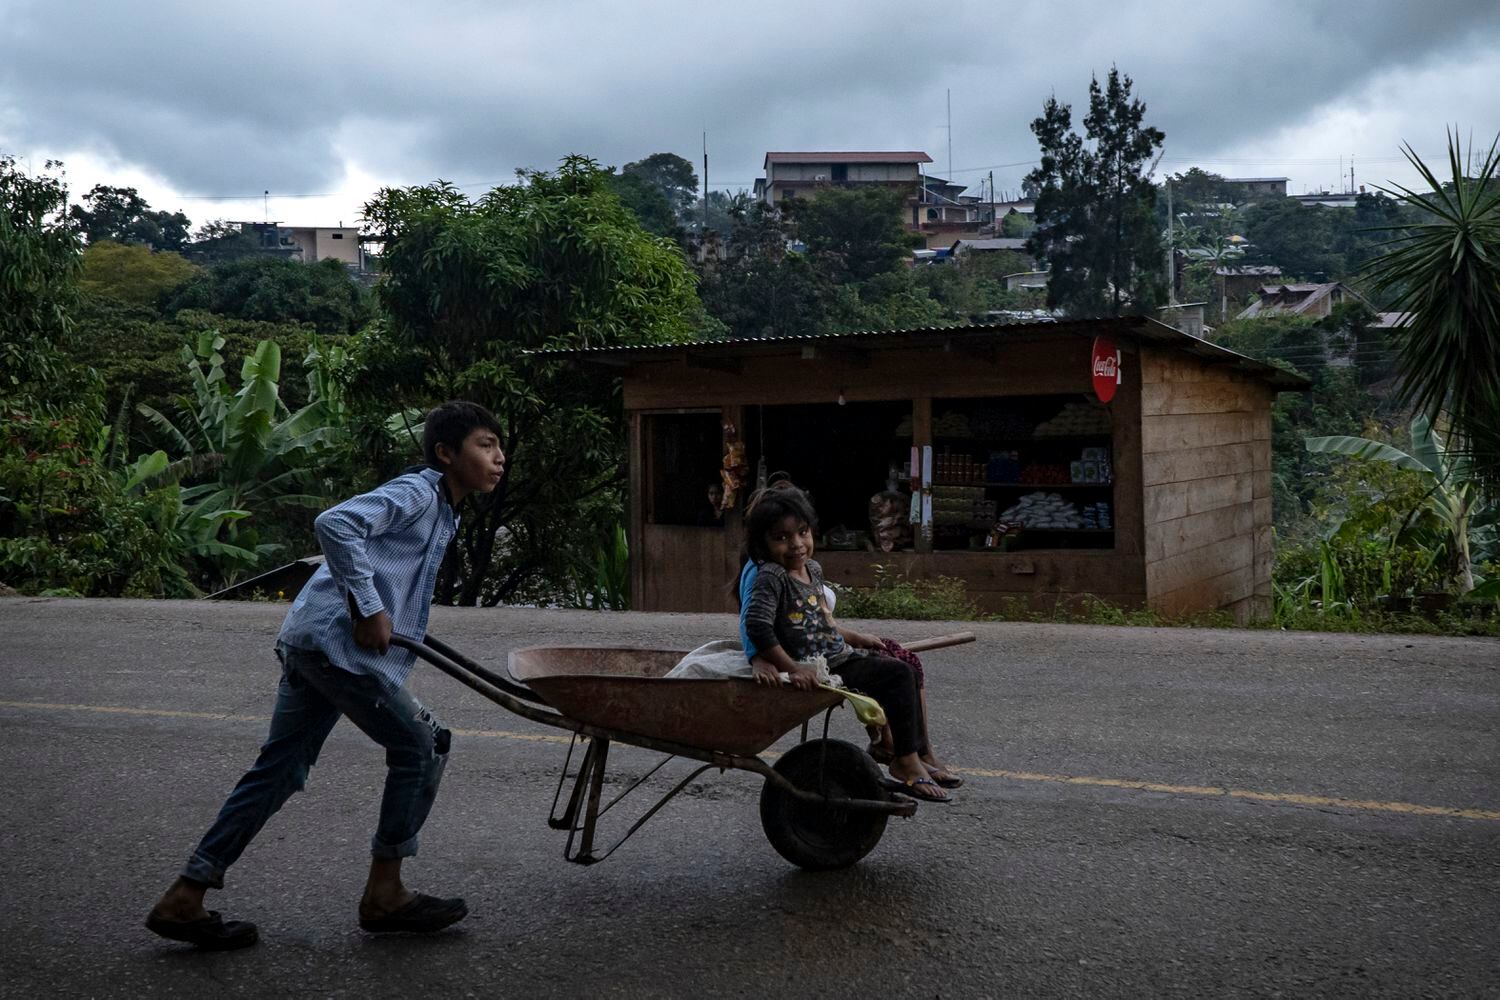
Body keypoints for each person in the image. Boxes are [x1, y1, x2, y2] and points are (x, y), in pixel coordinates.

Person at [145, 400, 507, 950]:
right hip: (336, 648)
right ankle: (385, 894)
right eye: (486, 445)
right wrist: (366, 606)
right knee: (424, 745)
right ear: (445, 453)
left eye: (500, 446)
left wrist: (380, 610)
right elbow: (334, 523)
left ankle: (184, 896)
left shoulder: (445, 511)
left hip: (312, 641)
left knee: (279, 770)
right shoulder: (418, 492)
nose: (499, 457)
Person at [738, 481, 961, 789]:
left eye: (803, 532)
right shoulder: (770, 577)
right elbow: (757, 625)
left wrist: (856, 636)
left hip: (838, 653)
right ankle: (904, 760)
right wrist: (792, 668)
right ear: (762, 544)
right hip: (821, 664)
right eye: (782, 538)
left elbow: (818, 620)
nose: (796, 544)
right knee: (897, 674)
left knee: (906, 667)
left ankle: (914, 752)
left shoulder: (812, 570)